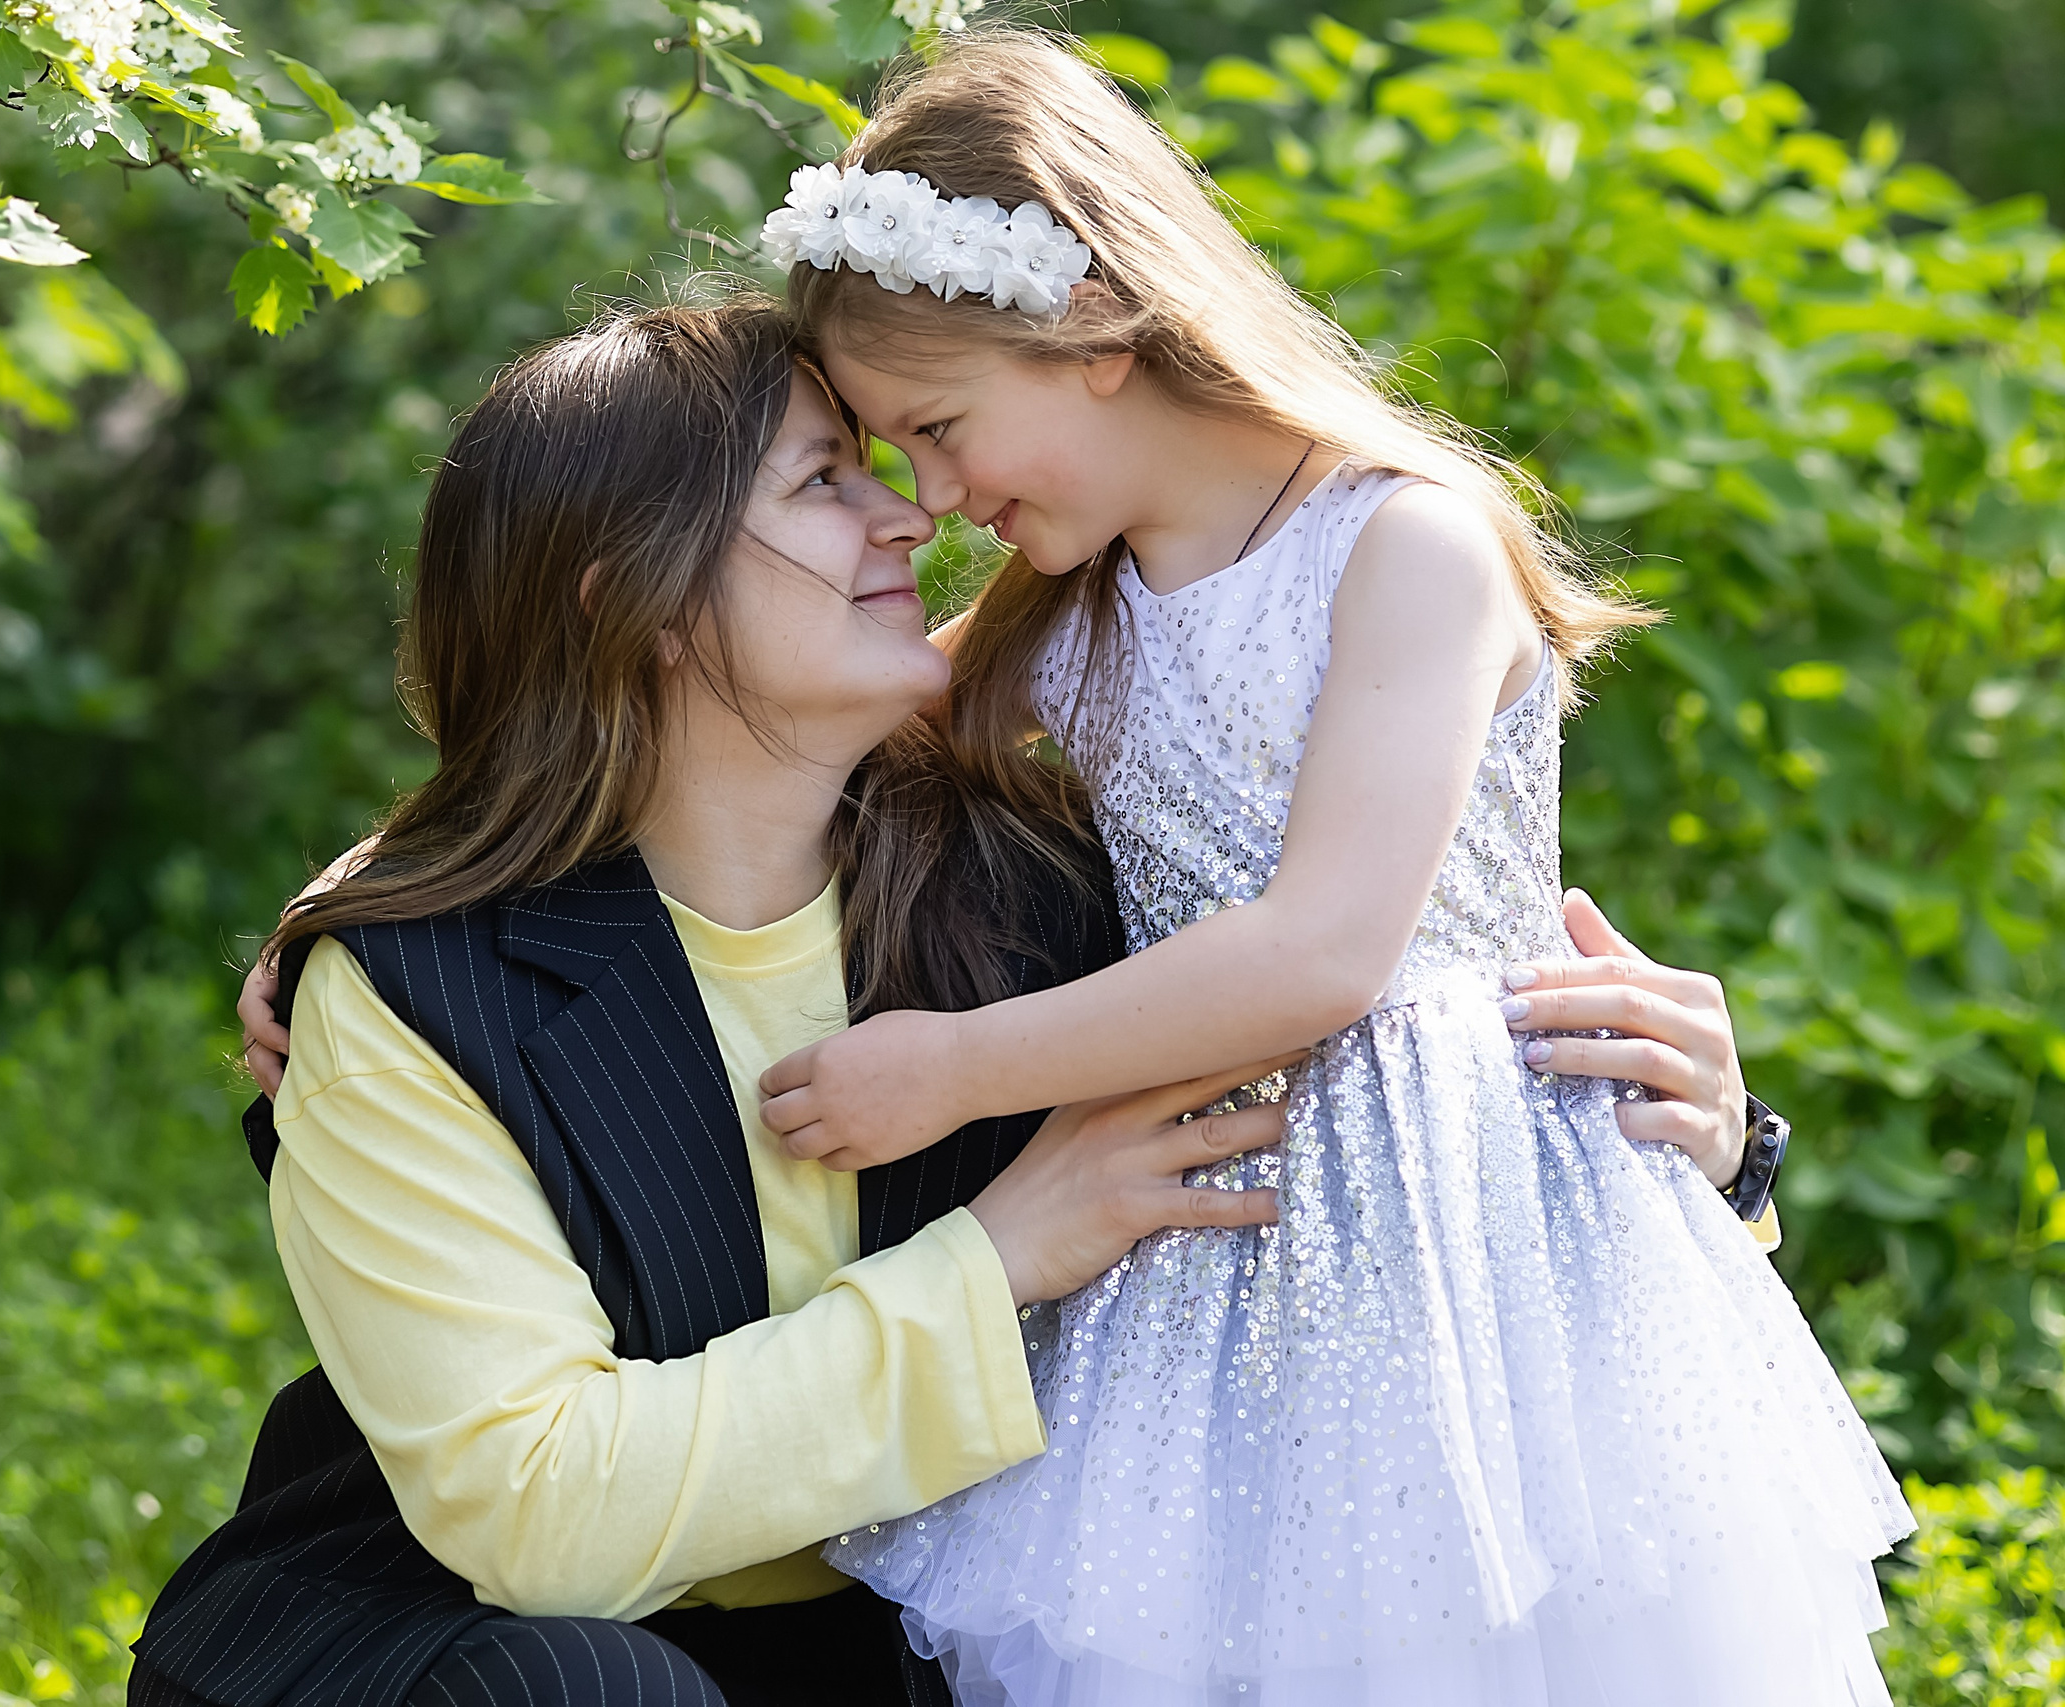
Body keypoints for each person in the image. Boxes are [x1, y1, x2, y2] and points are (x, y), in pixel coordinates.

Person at [136, 301, 1783, 1707]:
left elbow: (1368, 1110)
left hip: (896, 1631)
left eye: (895, 457)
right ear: (628, 598)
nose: (913, 516)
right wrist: (1000, 1260)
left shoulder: (1050, 904)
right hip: (474, 1642)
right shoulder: (420, 989)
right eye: (824, 479)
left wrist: (1707, 1146)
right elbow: (542, 1520)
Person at [750, 33, 1909, 1707]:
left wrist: (951, 1069)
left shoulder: (1402, 541)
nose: (928, 499)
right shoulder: (1067, 607)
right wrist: (375, 904)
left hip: (1480, 1251)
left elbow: (1322, 957)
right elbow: (765, 726)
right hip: (1224, 1248)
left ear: (1088, 326)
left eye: (936, 428)